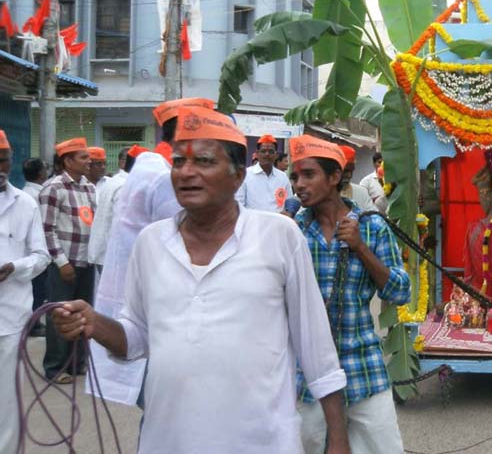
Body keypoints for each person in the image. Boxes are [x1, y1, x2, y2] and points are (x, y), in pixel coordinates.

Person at [51, 107, 351, 454]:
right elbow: (136, 339)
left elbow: (316, 347)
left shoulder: (278, 235)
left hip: (262, 441)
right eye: (178, 162)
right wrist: (94, 322)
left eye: (204, 162)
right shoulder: (150, 243)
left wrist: (338, 439)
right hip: (168, 440)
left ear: (238, 175)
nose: (187, 173)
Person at [290, 135, 409, 453]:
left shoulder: (372, 228)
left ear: (334, 178)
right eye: (294, 177)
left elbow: (400, 292)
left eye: (308, 175)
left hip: (362, 365)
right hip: (306, 375)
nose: (299, 185)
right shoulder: (292, 232)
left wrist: (360, 248)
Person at [92, 98, 213, 405]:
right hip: (160, 304)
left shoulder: (150, 166)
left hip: (143, 296)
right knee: (172, 409)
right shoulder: (166, 177)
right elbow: (192, 244)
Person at [0, 129, 51, 452]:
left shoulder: (26, 204)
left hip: (11, 317)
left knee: (8, 401)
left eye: (3, 160)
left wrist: (14, 268)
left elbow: (42, 256)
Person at [38, 137, 97, 383]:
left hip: (86, 261)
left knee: (83, 315)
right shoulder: (53, 188)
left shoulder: (90, 188)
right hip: (65, 264)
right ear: (68, 161)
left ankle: (76, 364)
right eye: (83, 157)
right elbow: (46, 229)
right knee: (60, 316)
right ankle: (55, 368)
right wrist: (61, 262)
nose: (89, 161)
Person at [87, 146, 141, 271]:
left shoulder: (113, 181)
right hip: (113, 255)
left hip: (105, 252)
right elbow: (123, 224)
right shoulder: (124, 185)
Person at [22, 157, 50, 331]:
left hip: (31, 252)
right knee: (38, 290)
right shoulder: (38, 195)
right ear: (41, 174)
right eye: (45, 169)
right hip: (37, 250)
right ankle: (33, 324)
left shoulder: (25, 192)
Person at [236, 134, 293, 212]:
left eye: (271, 151)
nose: (267, 154)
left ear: (276, 155)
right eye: (263, 151)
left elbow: (289, 203)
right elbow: (239, 205)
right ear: (257, 154)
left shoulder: (283, 177)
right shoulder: (246, 175)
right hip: (253, 223)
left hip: (277, 223)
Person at [339, 145, 376, 212]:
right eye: (345, 171)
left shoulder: (362, 192)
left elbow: (374, 217)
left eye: (351, 171)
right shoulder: (323, 194)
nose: (349, 176)